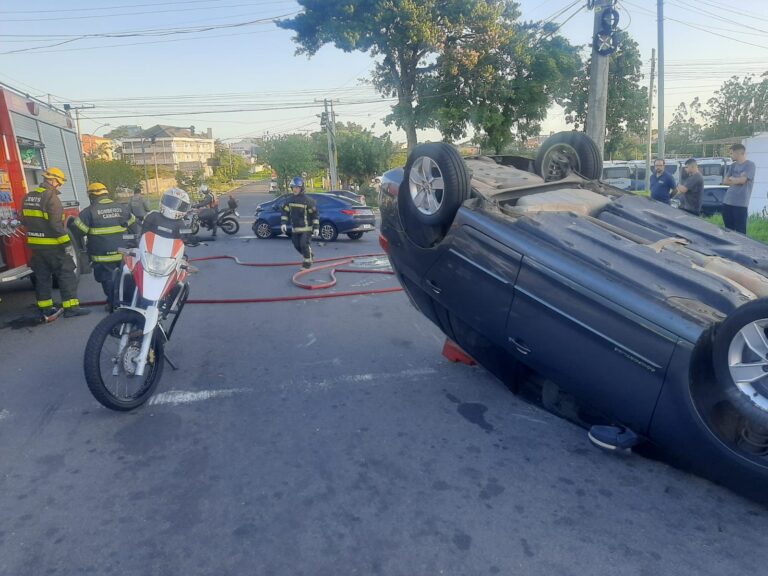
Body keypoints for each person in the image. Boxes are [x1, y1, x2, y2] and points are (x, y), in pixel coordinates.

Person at [20, 167, 90, 321]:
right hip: (53, 246)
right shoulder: (51, 198)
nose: (59, 185)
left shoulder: (28, 197)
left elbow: (23, 220)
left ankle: (46, 308)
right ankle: (71, 308)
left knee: (42, 277)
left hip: (36, 247)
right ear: (53, 180)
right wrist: (66, 245)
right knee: (67, 274)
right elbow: (56, 226)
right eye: (59, 182)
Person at [71, 183, 137, 311]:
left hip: (102, 255)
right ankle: (127, 303)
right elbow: (134, 227)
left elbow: (77, 232)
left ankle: (113, 304)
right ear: (106, 193)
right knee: (125, 276)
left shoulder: (88, 212)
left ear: (91, 196)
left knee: (107, 278)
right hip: (123, 252)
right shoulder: (121, 208)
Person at [281, 176, 319, 269]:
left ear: (301, 188)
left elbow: (315, 215)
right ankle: (309, 255)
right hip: (295, 229)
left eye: (297, 187)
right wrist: (283, 223)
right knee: (297, 246)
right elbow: (285, 212)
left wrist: (316, 228)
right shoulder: (289, 200)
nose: (295, 189)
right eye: (293, 187)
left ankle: (307, 264)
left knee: (304, 244)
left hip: (306, 229)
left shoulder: (308, 201)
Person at [722, 143, 757, 234]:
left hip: (740, 204)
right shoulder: (733, 166)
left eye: (731, 153)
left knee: (740, 232)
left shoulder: (750, 165)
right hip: (727, 202)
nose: (730, 155)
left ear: (739, 153)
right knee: (728, 231)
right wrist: (737, 179)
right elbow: (725, 181)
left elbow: (742, 181)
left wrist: (732, 179)